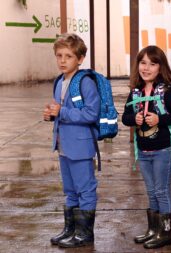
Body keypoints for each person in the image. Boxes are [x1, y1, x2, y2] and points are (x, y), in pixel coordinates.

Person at [122, 45, 171, 249]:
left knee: (161, 191)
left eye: (152, 63)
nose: (146, 68)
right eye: (143, 63)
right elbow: (125, 117)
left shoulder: (166, 92)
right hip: (143, 152)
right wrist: (136, 117)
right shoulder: (135, 93)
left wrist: (159, 119)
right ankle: (153, 230)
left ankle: (166, 233)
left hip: (162, 151)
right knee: (151, 191)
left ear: (161, 67)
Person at [43, 33, 100, 248]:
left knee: (85, 189)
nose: (62, 60)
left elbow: (91, 114)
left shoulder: (85, 82)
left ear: (80, 58)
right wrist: (50, 115)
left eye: (68, 56)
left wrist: (62, 112)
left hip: (81, 145)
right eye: (59, 55)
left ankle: (85, 234)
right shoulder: (60, 82)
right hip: (63, 145)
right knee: (69, 190)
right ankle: (71, 229)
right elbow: (60, 111)